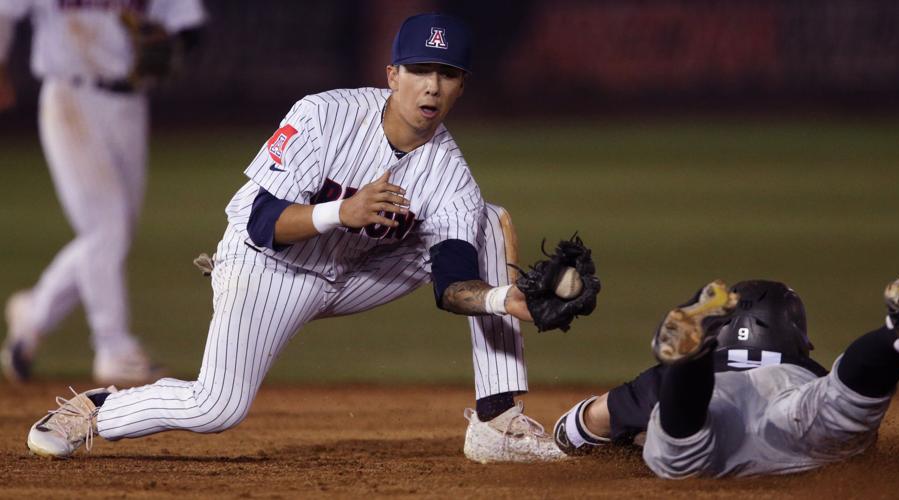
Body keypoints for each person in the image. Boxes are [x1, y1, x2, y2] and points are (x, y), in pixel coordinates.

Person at [23, 13, 565, 463]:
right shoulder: (324, 114)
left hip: (356, 271)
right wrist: (342, 212)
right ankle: (96, 410)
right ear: (392, 74)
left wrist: (503, 298)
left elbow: (451, 284)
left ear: (462, 85)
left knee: (487, 220)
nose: (432, 86)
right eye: (420, 69)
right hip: (269, 266)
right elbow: (261, 221)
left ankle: (497, 421)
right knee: (217, 407)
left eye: (447, 74)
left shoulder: (450, 175)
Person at [552, 274, 899, 478]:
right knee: (839, 407)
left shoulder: (653, 382)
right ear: (797, 335)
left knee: (680, 446)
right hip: (789, 394)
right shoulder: (807, 371)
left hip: (714, 401)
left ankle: (692, 361)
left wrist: (628, 439)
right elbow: (861, 446)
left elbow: (575, 432)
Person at [0, 0, 206, 386]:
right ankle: (113, 347)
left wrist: (175, 43)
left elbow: (188, 24)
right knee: (106, 228)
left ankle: (35, 312)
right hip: (69, 97)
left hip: (130, 105)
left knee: (114, 233)